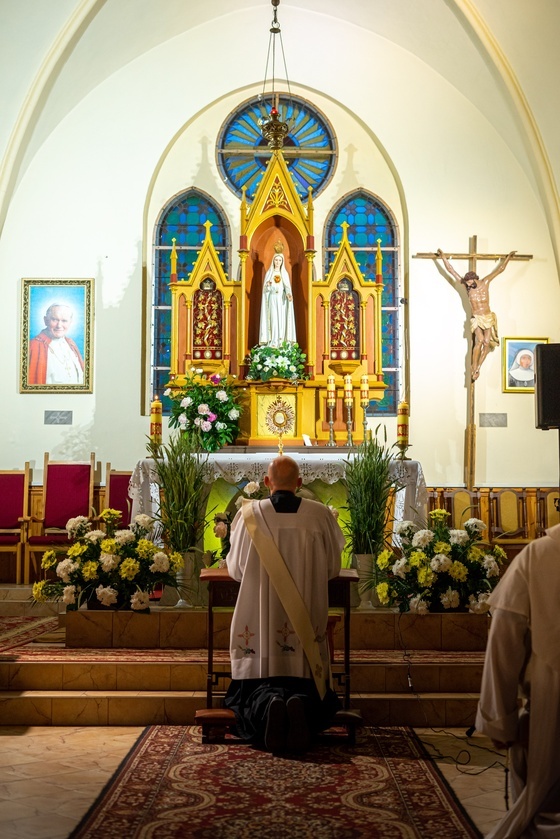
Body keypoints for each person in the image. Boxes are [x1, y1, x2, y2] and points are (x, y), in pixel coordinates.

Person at [224, 455, 344, 753]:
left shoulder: (248, 514)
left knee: (256, 682)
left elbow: (237, 570)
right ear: (300, 483)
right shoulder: (319, 516)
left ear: (267, 483)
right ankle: (298, 703)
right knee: (307, 680)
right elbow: (333, 568)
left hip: (260, 630)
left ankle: (268, 705)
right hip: (305, 624)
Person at [475, 524, 560, 838]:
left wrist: (499, 720)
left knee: (542, 810)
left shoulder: (539, 555)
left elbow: (504, 641)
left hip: (551, 708)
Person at [436, 249, 516, 381]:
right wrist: (443, 256)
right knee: (478, 342)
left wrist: (509, 257)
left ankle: (478, 366)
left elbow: (500, 269)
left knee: (486, 342)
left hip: (487, 316)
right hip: (476, 318)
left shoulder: (485, 282)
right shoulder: (466, 287)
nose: (467, 285)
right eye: (466, 283)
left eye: (469, 283)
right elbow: (451, 270)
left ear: (474, 279)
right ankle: (474, 368)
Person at [28, 303, 84, 385]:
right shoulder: (33, 346)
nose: (59, 325)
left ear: (70, 322)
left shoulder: (71, 344)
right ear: (45, 320)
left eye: (64, 321)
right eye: (54, 320)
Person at [258, 249, 297, 347]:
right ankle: (273, 342)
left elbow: (287, 288)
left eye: (280, 260)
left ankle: (281, 342)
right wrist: (267, 285)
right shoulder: (269, 274)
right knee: (274, 320)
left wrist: (288, 294)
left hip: (282, 300)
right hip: (272, 300)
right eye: (276, 260)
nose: (278, 262)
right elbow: (265, 290)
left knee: (281, 320)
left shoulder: (284, 274)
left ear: (282, 262)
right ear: (273, 261)